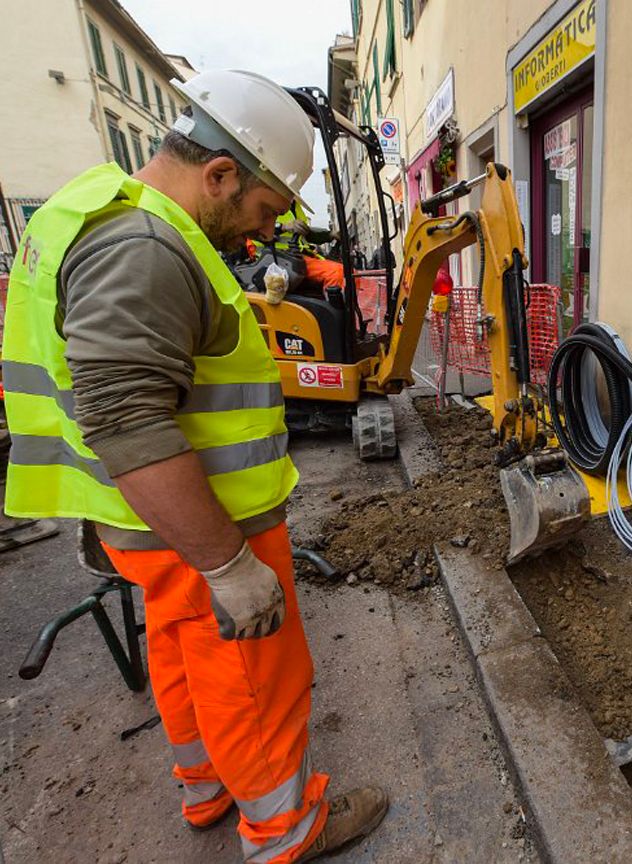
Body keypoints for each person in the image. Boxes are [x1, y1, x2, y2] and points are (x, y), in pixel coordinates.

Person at [1, 69, 387, 862]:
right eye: (263, 209)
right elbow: (126, 418)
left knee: (180, 651)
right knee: (250, 676)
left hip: (142, 523)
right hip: (202, 517)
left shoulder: (106, 211)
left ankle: (207, 788)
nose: (259, 233)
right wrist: (229, 562)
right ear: (218, 173)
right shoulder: (144, 247)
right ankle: (287, 829)